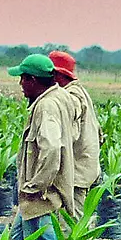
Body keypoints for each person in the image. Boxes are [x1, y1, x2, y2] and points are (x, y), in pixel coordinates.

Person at [9, 53, 76, 240]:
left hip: (41, 195)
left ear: (34, 80)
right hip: (37, 193)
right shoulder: (60, 97)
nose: (20, 84)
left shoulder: (46, 106)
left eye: (23, 78)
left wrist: (37, 185)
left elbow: (52, 148)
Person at [48, 51, 101, 205]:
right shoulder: (79, 91)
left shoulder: (71, 97)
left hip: (76, 174)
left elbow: (69, 135)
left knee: (69, 225)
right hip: (83, 169)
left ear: (57, 76)